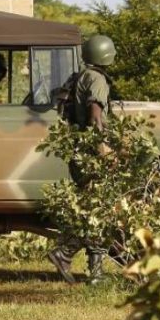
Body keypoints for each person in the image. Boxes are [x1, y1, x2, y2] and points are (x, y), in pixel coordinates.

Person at [47, 35, 116, 285]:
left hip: (79, 150)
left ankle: (95, 272)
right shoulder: (97, 79)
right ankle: (64, 253)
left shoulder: (80, 76)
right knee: (98, 210)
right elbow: (96, 114)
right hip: (91, 152)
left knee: (96, 209)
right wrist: (103, 148)